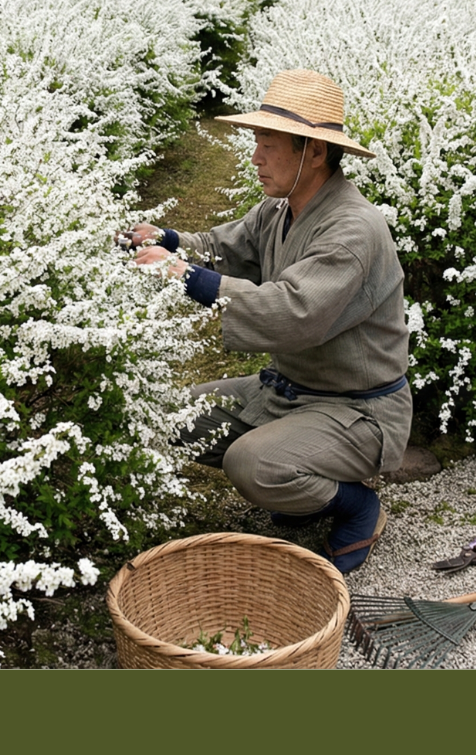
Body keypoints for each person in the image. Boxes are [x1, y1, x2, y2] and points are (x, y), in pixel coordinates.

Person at [119, 69, 412, 574]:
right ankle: (303, 486)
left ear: (315, 152)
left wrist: (185, 277)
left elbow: (291, 312)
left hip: (356, 412)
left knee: (251, 463)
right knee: (167, 417)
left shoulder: (353, 230)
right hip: (288, 389)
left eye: (268, 145)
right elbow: (226, 246)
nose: (256, 157)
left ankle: (356, 504)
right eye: (257, 141)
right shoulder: (281, 208)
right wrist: (166, 239)